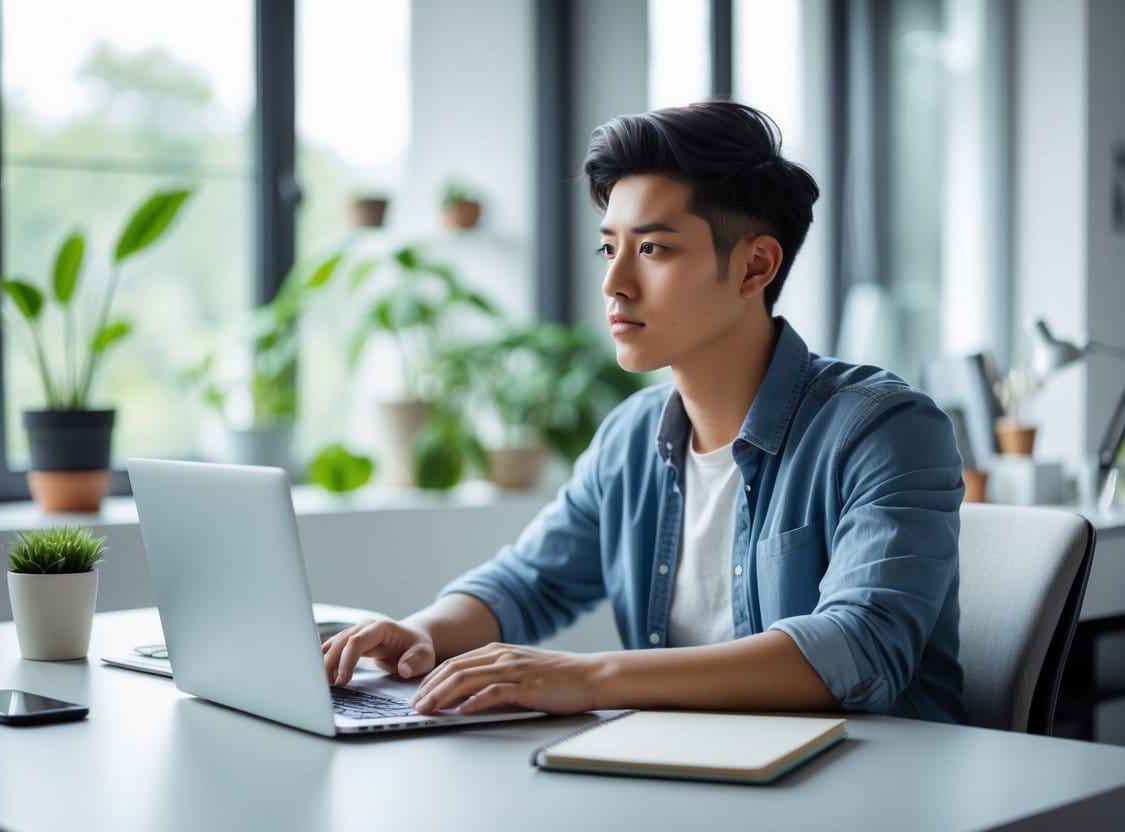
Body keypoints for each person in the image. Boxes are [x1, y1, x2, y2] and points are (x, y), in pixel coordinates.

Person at [322, 99, 968, 724]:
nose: (614, 284)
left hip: (868, 785)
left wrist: (588, 677)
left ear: (754, 265)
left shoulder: (883, 429)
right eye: (609, 248)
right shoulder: (630, 437)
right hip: (687, 777)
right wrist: (418, 635)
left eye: (652, 249)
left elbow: (857, 646)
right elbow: (526, 583)